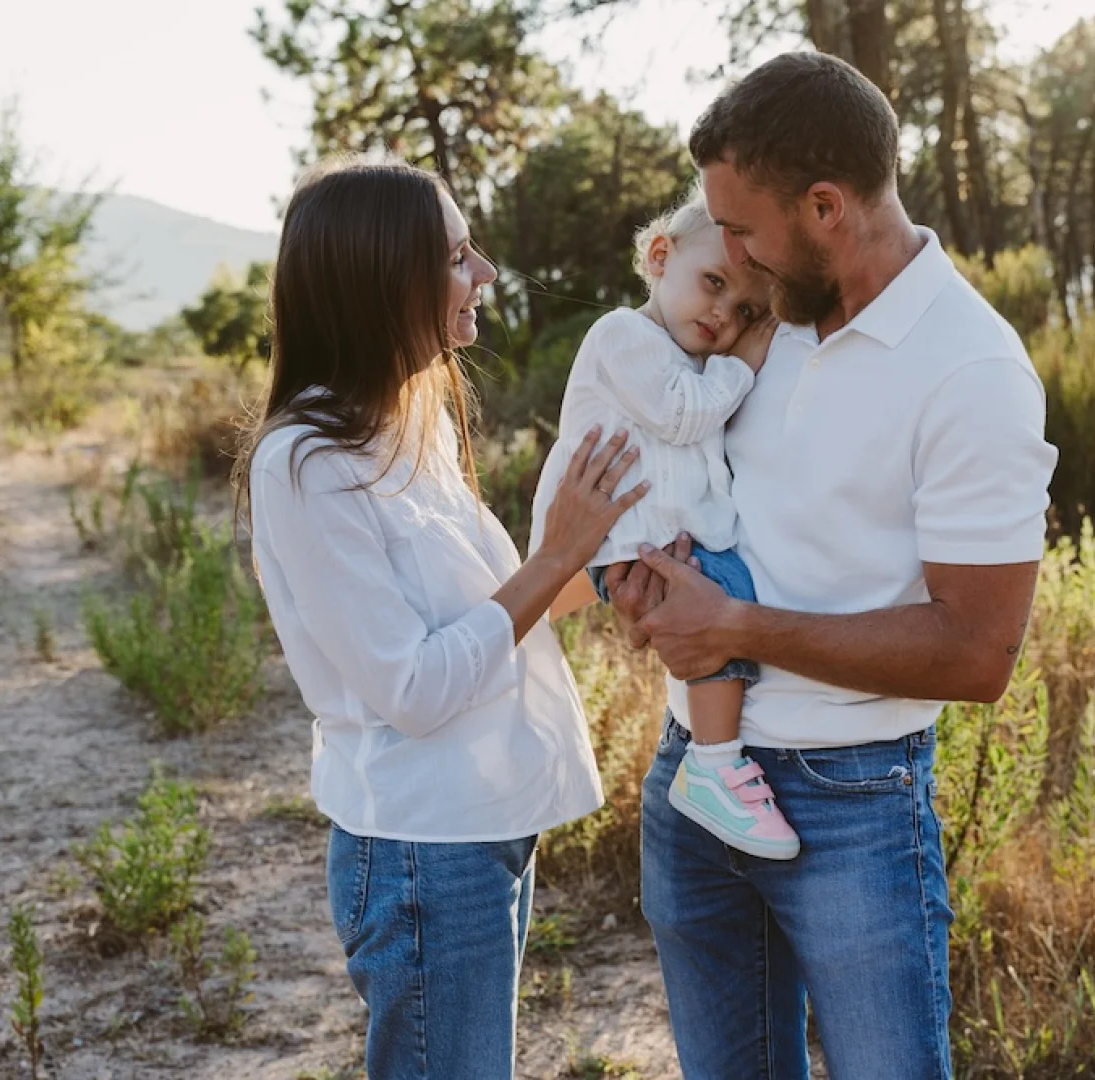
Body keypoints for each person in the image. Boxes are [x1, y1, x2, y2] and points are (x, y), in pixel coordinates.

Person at [606, 52, 1060, 1079]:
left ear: (824, 207)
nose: (725, 252)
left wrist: (735, 628)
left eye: (741, 228)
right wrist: (648, 582)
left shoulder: (972, 369)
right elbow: (691, 484)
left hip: (851, 802)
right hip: (693, 773)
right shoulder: (757, 316)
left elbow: (977, 652)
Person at [234, 157, 647, 1080]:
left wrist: (609, 568)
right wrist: (555, 554)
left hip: (486, 826)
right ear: (381, 281)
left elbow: (492, 616)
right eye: (458, 257)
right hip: (423, 850)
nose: (485, 274)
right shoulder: (306, 463)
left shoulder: (407, 426)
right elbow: (414, 688)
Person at [527, 189, 799, 860]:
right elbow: (681, 417)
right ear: (658, 257)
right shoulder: (623, 335)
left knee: (717, 605)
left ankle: (712, 759)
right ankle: (714, 762)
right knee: (725, 599)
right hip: (623, 539)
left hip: (649, 541)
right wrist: (742, 364)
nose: (723, 314)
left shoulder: (691, 362)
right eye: (714, 283)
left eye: (745, 311)